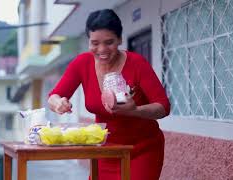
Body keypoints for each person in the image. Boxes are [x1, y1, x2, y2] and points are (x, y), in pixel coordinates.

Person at [48, 9, 170, 180]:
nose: (102, 49)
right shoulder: (81, 63)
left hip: (142, 150)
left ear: (120, 39)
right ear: (88, 41)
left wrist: (134, 111)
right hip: (105, 151)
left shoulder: (137, 63)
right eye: (95, 43)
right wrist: (58, 103)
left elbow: (163, 107)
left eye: (109, 42)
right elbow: (54, 96)